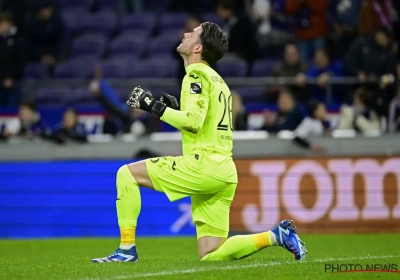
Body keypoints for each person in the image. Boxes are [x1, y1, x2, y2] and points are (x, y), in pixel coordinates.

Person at [92, 21, 307, 263]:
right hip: (224, 170)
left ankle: (126, 251)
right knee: (211, 255)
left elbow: (193, 122)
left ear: (198, 48)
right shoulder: (219, 81)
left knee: (126, 175)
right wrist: (177, 109)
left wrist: (153, 106)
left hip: (203, 165)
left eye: (193, 34)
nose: (185, 34)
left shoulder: (195, 74)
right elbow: (204, 122)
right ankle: (276, 236)